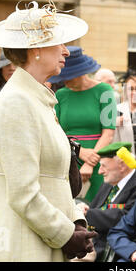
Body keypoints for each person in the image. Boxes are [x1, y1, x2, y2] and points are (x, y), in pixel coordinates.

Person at [0, 0, 96, 261]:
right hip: (26, 246)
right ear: (37, 50)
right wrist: (66, 234)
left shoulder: (36, 98)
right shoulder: (16, 102)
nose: (66, 51)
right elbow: (24, 193)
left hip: (42, 239)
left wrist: (76, 220)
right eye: (60, 43)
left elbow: (55, 178)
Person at [48, 46, 117, 203]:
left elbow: (109, 132)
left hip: (99, 161)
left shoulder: (104, 90)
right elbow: (56, 130)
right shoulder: (61, 94)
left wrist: (89, 162)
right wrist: (79, 152)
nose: (64, 81)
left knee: (95, 209)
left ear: (80, 72)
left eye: (68, 77)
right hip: (69, 158)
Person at [76, 142, 136, 261]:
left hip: (108, 248)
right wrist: (84, 208)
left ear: (122, 165)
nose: (100, 171)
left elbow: (123, 217)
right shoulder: (109, 183)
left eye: (104, 166)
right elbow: (94, 208)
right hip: (90, 241)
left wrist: (88, 213)